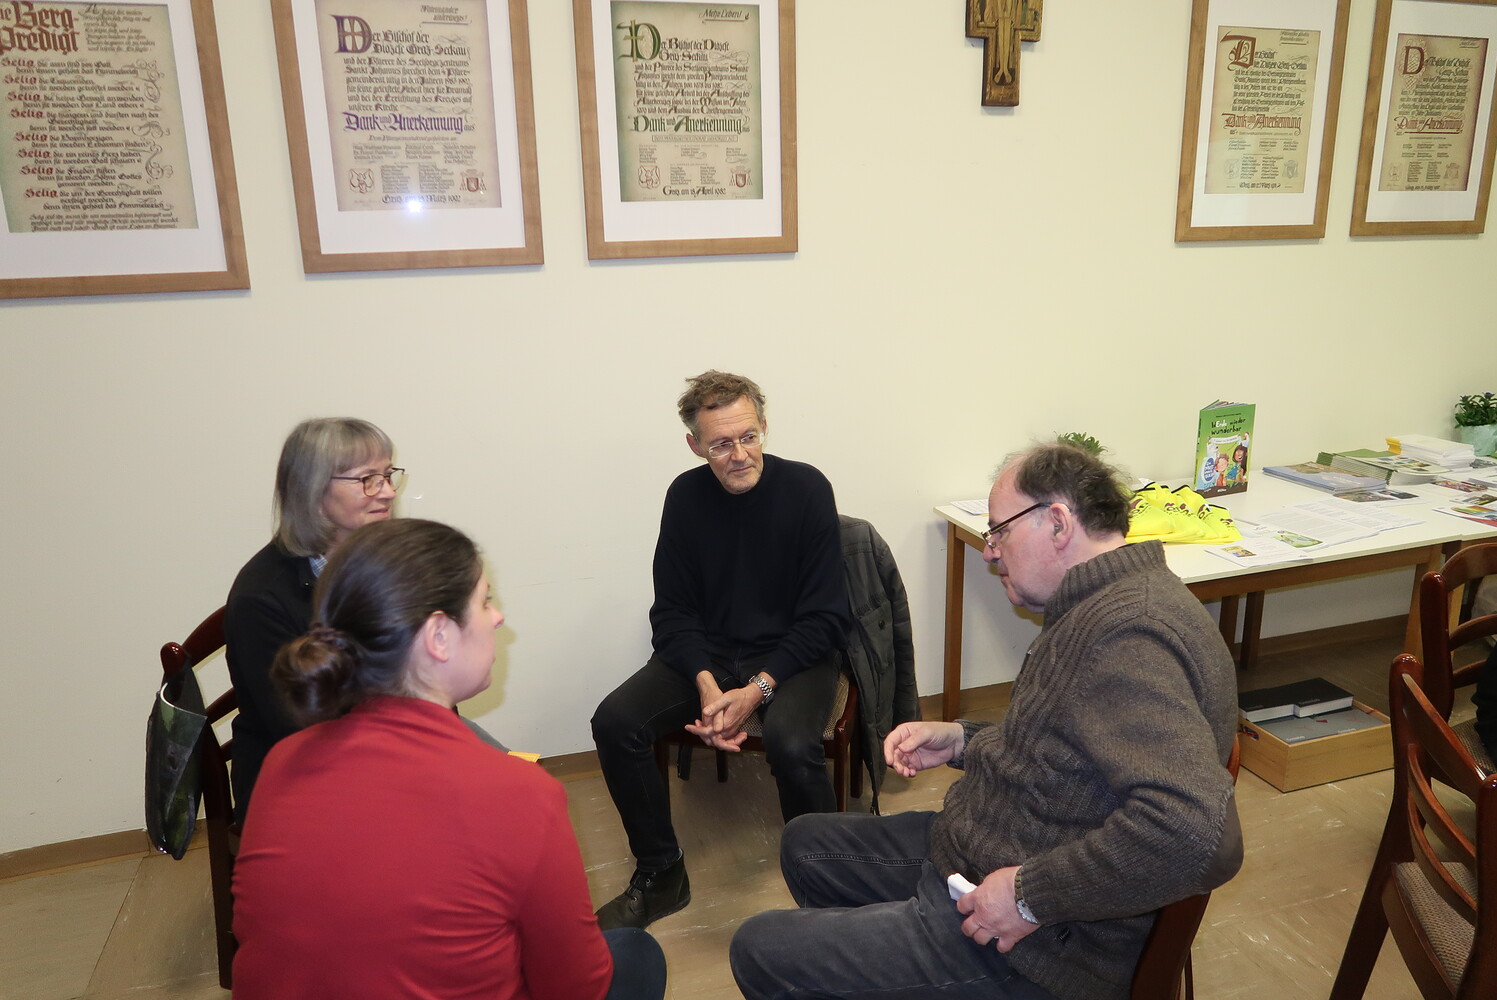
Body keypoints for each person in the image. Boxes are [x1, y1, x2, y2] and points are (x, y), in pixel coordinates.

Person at [730, 443, 1243, 1000]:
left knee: (759, 949)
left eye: (999, 532)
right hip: (981, 852)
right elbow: (1067, 752)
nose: (990, 553)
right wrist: (960, 741)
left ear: (1057, 522)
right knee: (805, 844)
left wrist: (1028, 897)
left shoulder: (1127, 636)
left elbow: (1198, 835)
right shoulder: (1103, 603)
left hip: (1039, 947)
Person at [232, 518, 667, 1000]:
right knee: (636, 955)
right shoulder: (522, 796)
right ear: (438, 636)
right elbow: (576, 988)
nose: (497, 617)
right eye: (484, 601)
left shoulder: (282, 763)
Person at [591, 370, 852, 930]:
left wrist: (757, 690)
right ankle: (661, 874)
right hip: (709, 653)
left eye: (749, 436)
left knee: (791, 741)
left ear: (764, 427)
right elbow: (672, 612)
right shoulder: (685, 497)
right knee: (615, 722)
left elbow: (826, 618)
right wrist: (707, 685)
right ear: (695, 445)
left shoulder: (807, 488)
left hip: (792, 653)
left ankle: (826, 881)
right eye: (721, 444)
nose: (739, 455)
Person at [224, 417, 403, 823]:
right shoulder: (261, 598)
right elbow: (299, 727)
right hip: (301, 774)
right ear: (313, 490)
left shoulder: (387, 563)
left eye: (388, 475)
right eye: (368, 479)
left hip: (393, 745)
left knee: (503, 782)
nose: (388, 491)